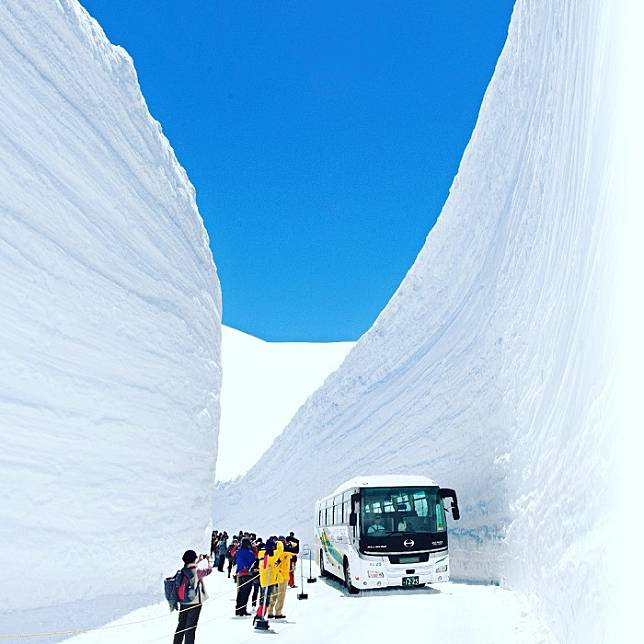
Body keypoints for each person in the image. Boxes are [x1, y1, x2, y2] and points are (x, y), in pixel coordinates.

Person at [173, 550, 212, 644]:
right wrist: (208, 561)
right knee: (190, 629)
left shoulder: (182, 571)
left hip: (183, 602)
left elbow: (191, 568)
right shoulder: (197, 572)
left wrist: (198, 561)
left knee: (181, 626)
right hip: (195, 603)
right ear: (193, 559)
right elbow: (209, 570)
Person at [254, 537, 279, 622]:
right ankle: (260, 615)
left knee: (263, 598)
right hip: (270, 580)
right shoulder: (272, 557)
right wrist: (278, 543)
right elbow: (280, 550)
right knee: (266, 600)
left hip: (263, 580)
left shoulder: (261, 554)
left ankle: (260, 614)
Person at [267, 538, 292, 619]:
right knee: (281, 595)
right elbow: (296, 549)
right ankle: (278, 612)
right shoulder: (286, 553)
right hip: (283, 577)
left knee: (273, 594)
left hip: (275, 576)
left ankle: (270, 612)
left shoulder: (275, 553)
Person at [233, 538, 256, 616]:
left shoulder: (238, 551)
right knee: (245, 593)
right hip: (247, 574)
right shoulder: (250, 552)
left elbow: (234, 556)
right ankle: (243, 610)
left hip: (239, 573)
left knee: (240, 592)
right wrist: (254, 548)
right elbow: (254, 560)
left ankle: (238, 609)